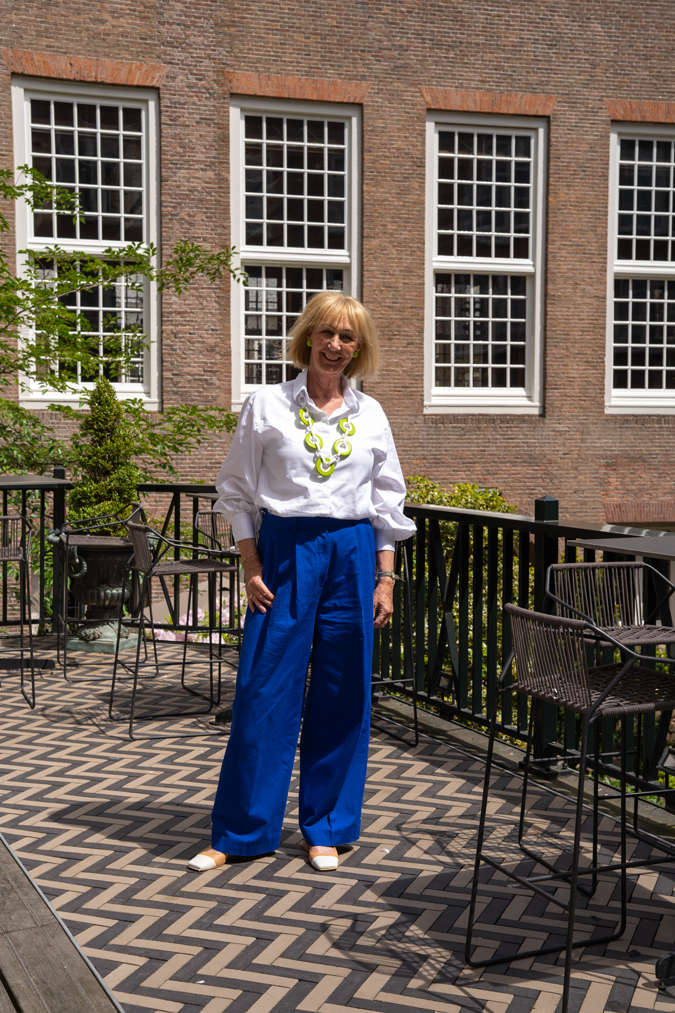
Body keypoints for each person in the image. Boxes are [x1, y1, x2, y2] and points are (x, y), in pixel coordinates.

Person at [188, 291, 415, 873]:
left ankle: (327, 828)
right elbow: (235, 490)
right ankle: (240, 831)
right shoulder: (266, 404)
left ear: (358, 349)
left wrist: (384, 579)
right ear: (308, 336)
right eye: (327, 334)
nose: (336, 346)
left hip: (353, 551)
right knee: (263, 690)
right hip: (285, 547)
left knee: (344, 693)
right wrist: (251, 562)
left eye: (348, 338)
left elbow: (387, 503)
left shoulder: (373, 415)